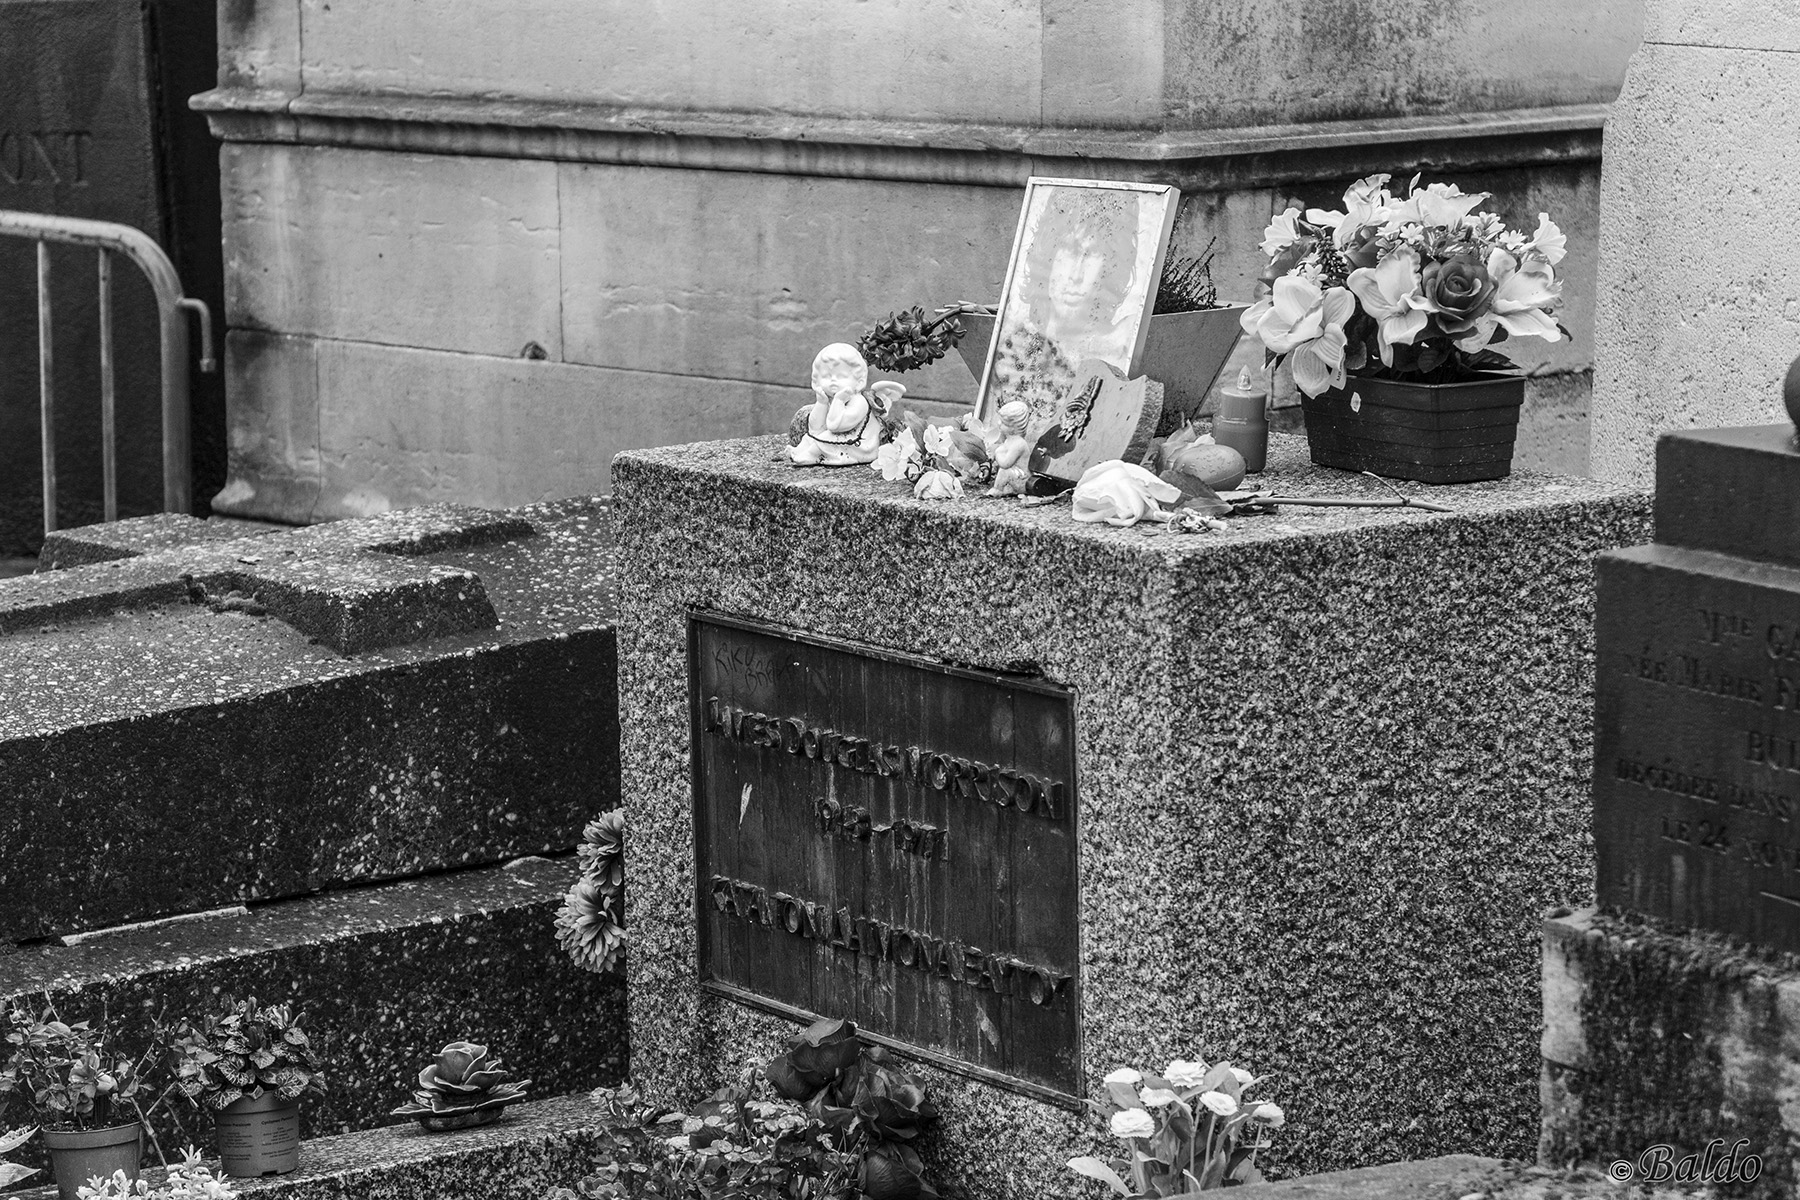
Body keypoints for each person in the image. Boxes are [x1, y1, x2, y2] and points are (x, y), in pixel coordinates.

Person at [987, 191, 1146, 438]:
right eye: (1069, 251)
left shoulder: (1117, 347)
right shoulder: (1015, 346)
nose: (1076, 274)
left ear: (1110, 266)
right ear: (1048, 256)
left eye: (1092, 254)